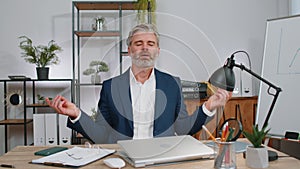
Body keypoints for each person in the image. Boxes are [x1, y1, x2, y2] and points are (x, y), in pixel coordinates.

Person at [46, 23, 231, 143]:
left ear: (157, 50)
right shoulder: (111, 87)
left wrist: (208, 106)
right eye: (138, 43)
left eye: (150, 44)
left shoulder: (172, 84)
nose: (144, 48)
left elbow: (183, 128)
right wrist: (76, 114)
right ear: (129, 50)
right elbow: (101, 135)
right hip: (122, 158)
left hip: (161, 157)